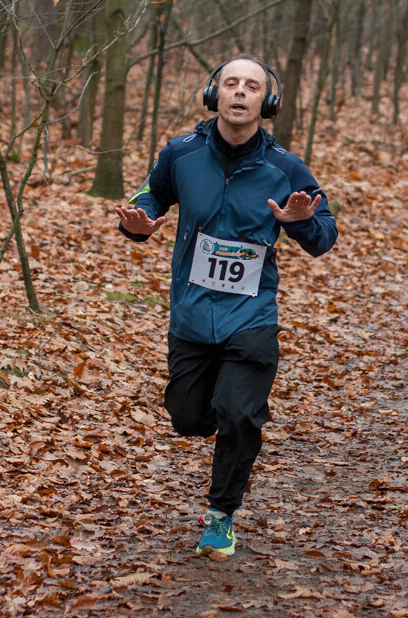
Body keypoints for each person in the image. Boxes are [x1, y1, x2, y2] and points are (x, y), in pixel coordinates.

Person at [113, 53, 338, 556]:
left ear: (267, 100)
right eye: (231, 83)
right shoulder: (181, 153)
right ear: (215, 95)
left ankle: (220, 514)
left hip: (252, 315)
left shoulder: (285, 168)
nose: (240, 92)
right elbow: (150, 196)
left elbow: (324, 237)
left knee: (239, 415)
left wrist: (300, 220)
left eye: (251, 86)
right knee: (190, 417)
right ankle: (220, 408)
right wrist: (138, 221)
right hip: (192, 312)